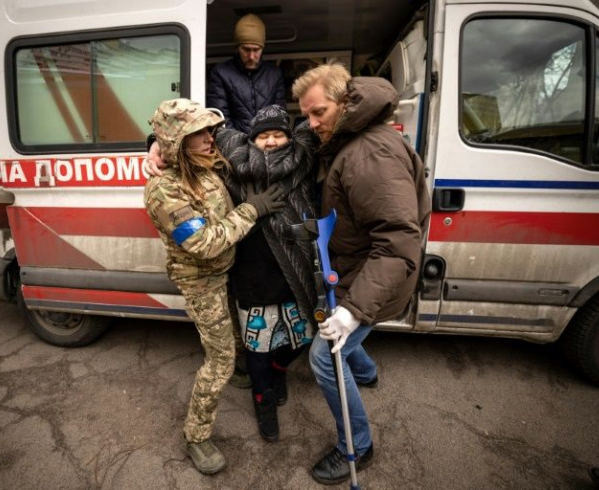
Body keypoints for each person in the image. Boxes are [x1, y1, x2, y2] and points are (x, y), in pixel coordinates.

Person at [291, 62, 431, 485]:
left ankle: (360, 444)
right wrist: (159, 145)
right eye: (306, 114)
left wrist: (352, 311)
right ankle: (367, 373)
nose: (311, 124)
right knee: (344, 347)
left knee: (324, 356)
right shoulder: (348, 136)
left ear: (346, 102)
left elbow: (397, 243)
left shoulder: (368, 153)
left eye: (318, 113)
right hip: (358, 269)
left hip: (372, 276)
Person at [143, 98, 285, 475]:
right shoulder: (164, 191)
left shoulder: (204, 162)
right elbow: (205, 244)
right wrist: (252, 210)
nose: (211, 137)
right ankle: (196, 435)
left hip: (227, 270)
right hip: (200, 279)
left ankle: (237, 370)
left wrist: (153, 144)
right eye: (200, 133)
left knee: (233, 332)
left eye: (210, 129)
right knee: (219, 359)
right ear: (179, 142)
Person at [216, 104, 319, 442]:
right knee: (257, 347)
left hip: (293, 273)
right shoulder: (234, 163)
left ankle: (279, 371)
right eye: (263, 135)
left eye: (278, 134)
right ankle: (263, 400)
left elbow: (331, 113)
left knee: (298, 338)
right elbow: (196, 128)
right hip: (252, 275)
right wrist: (155, 142)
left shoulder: (303, 156)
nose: (272, 141)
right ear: (251, 138)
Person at [206, 13, 286, 133]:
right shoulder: (220, 73)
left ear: (262, 48)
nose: (251, 56)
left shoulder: (274, 74)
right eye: (246, 49)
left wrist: (266, 141)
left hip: (268, 144)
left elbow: (279, 116)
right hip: (233, 147)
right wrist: (239, 146)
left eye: (256, 50)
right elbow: (221, 118)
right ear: (237, 47)